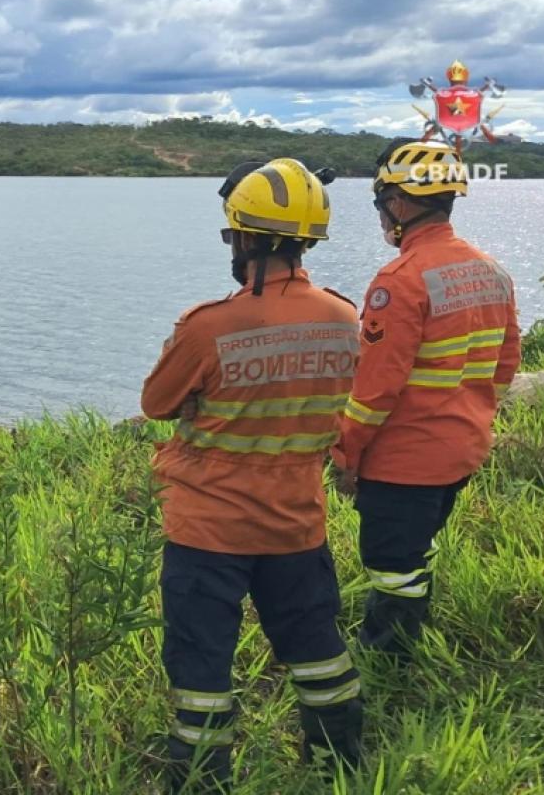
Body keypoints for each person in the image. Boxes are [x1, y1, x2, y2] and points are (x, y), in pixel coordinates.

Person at [142, 159, 363, 790]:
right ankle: (340, 763)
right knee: (318, 650)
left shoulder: (209, 325)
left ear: (243, 239)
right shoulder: (345, 319)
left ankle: (201, 778)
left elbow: (157, 403)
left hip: (208, 528)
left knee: (201, 663)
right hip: (296, 523)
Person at [334, 139, 522, 657]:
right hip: (461, 451)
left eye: (380, 205)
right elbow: (505, 364)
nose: (380, 217)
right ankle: (410, 629)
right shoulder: (492, 271)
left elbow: (374, 391)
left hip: (403, 461)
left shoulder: (400, 282)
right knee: (417, 548)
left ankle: (388, 660)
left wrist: (346, 455)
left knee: (391, 567)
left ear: (397, 204)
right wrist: (474, 418)